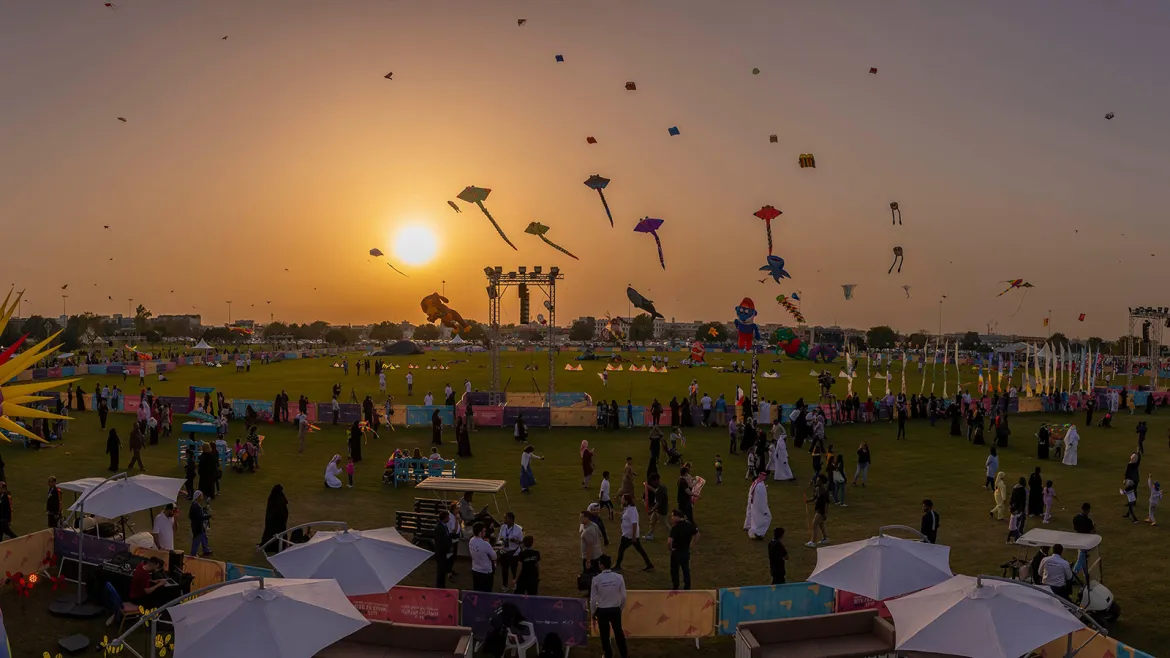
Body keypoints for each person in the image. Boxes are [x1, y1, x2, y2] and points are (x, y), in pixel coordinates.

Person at [590, 555, 628, 658]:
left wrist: (593, 612)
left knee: (604, 635)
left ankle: (608, 654)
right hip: (615, 609)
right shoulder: (619, 577)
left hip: (602, 611)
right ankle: (624, 654)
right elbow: (624, 597)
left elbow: (593, 599)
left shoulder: (596, 579)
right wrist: (620, 609)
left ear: (601, 565)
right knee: (619, 633)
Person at [614, 494, 653, 572]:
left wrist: (634, 536)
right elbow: (626, 516)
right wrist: (618, 514)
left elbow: (634, 523)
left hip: (629, 535)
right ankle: (649, 564)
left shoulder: (631, 510)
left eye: (622, 499)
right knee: (640, 550)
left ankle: (617, 566)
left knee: (621, 550)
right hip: (629, 534)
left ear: (626, 501)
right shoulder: (628, 509)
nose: (621, 500)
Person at [668, 509, 698, 590]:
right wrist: (692, 544)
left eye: (673, 516)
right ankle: (687, 587)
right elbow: (697, 534)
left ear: (678, 517)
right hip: (685, 551)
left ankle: (675, 586)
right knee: (686, 570)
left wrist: (670, 549)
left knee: (674, 571)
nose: (672, 518)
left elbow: (669, 541)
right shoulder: (689, 525)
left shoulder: (675, 527)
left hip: (676, 552)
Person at [498, 512, 524, 592]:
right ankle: (505, 585)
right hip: (504, 551)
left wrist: (516, 541)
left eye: (506, 518)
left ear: (511, 519)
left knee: (514, 569)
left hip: (514, 552)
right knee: (504, 569)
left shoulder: (518, 529)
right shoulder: (503, 527)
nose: (504, 519)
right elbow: (499, 537)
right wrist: (501, 539)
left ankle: (514, 582)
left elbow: (522, 543)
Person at [259, 484, 288, 553]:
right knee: (277, 534)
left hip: (273, 521)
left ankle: (272, 546)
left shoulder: (273, 497)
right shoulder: (279, 498)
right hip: (277, 522)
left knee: (271, 534)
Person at [469, 522, 497, 592]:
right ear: (480, 532)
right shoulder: (485, 544)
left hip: (475, 570)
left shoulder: (471, 541)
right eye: (484, 531)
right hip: (485, 572)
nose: (485, 533)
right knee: (486, 592)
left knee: (477, 590)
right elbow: (494, 557)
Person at [744, 471, 771, 539]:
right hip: (758, 505)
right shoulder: (760, 485)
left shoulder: (756, 482)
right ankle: (758, 533)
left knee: (751, 515)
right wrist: (764, 508)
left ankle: (748, 526)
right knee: (766, 518)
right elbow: (761, 498)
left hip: (753, 502)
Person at [806, 475, 830, 547]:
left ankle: (813, 542)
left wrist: (825, 514)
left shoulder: (825, 492)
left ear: (822, 482)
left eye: (819, 480)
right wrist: (808, 501)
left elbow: (827, 504)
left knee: (814, 524)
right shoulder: (817, 488)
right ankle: (825, 538)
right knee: (820, 524)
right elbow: (814, 497)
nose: (817, 481)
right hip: (817, 509)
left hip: (821, 510)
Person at [189, 491, 211, 556]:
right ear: (197, 497)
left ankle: (206, 550)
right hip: (198, 527)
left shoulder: (195, 505)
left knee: (204, 537)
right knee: (196, 541)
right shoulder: (196, 506)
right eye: (201, 496)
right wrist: (208, 516)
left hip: (198, 525)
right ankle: (193, 554)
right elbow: (200, 517)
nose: (202, 497)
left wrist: (204, 510)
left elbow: (195, 515)